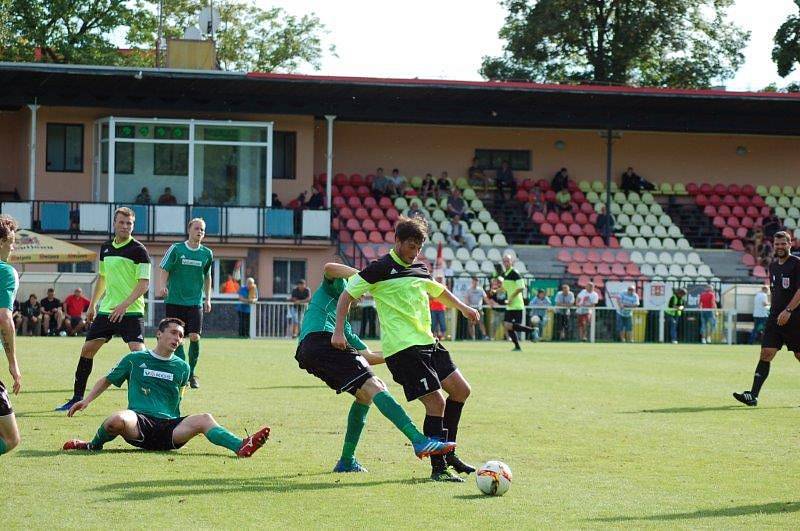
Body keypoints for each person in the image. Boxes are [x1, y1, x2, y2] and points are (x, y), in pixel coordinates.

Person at [332, 216, 480, 482]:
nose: (415, 253)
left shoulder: (420, 268)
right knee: (436, 402)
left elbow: (439, 290)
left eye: (419, 248)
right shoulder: (378, 269)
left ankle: (450, 455)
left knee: (461, 390)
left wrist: (464, 308)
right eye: (411, 246)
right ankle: (439, 469)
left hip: (428, 343)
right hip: (403, 350)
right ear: (397, 241)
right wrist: (339, 330)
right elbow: (346, 296)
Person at [296, 262, 456, 472]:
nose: (362, 296)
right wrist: (364, 277)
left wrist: (400, 351)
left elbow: (368, 356)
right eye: (362, 290)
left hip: (309, 351)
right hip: (321, 340)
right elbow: (328, 267)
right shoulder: (336, 289)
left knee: (364, 396)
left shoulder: (343, 327)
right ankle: (418, 439)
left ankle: (346, 461)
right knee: (376, 386)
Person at [63, 318, 270, 457]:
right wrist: (86, 400)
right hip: (138, 424)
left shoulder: (183, 367)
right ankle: (93, 444)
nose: (177, 338)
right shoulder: (135, 359)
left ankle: (241, 446)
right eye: (173, 333)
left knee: (205, 418)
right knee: (116, 420)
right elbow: (107, 379)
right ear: (159, 334)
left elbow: (178, 399)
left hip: (170, 429)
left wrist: (185, 428)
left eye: (180, 336)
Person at [56, 207, 151, 412]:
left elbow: (144, 284)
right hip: (107, 311)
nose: (125, 226)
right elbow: (103, 277)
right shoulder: (106, 247)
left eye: (129, 223)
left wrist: (124, 306)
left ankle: (145, 405)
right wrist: (92, 305)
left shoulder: (139, 250)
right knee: (87, 350)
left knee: (139, 355)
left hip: (131, 311)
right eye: (122, 222)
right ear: (114, 223)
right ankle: (76, 398)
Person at [733, 232, 800, 407]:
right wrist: (774, 309)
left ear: (790, 244)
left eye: (783, 244)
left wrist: (788, 310)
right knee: (766, 353)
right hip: (775, 318)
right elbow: (775, 290)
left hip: (795, 317)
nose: (779, 247)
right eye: (776, 244)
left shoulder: (797, 264)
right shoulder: (773, 266)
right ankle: (753, 395)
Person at [158, 218, 213, 389]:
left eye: (202, 230)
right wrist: (162, 286)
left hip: (195, 302)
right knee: (177, 338)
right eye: (197, 228)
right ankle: (184, 373)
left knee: (195, 336)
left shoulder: (207, 253)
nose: (200, 232)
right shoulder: (176, 249)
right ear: (189, 229)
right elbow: (164, 268)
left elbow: (207, 277)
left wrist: (208, 298)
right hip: (174, 301)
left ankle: (192, 373)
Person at [0, 214, 22, 456]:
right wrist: (13, 363)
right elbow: (4, 318)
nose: (13, 247)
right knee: (10, 438)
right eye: (11, 241)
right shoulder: (6, 272)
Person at [500, 255, 534, 351]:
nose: (506, 263)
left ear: (512, 262)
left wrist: (511, 297)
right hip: (510, 304)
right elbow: (505, 288)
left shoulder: (515, 273)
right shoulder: (505, 274)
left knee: (512, 326)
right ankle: (517, 346)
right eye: (504, 261)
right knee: (508, 326)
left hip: (517, 304)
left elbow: (521, 287)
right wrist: (496, 291)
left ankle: (531, 330)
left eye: (507, 261)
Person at [429, 275, 448, 341]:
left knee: (442, 323)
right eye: (438, 279)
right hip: (433, 308)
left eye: (440, 279)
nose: (439, 280)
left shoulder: (444, 287)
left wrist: (435, 296)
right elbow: (430, 297)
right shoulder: (433, 287)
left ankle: (443, 336)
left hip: (441, 308)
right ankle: (433, 337)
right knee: (433, 324)